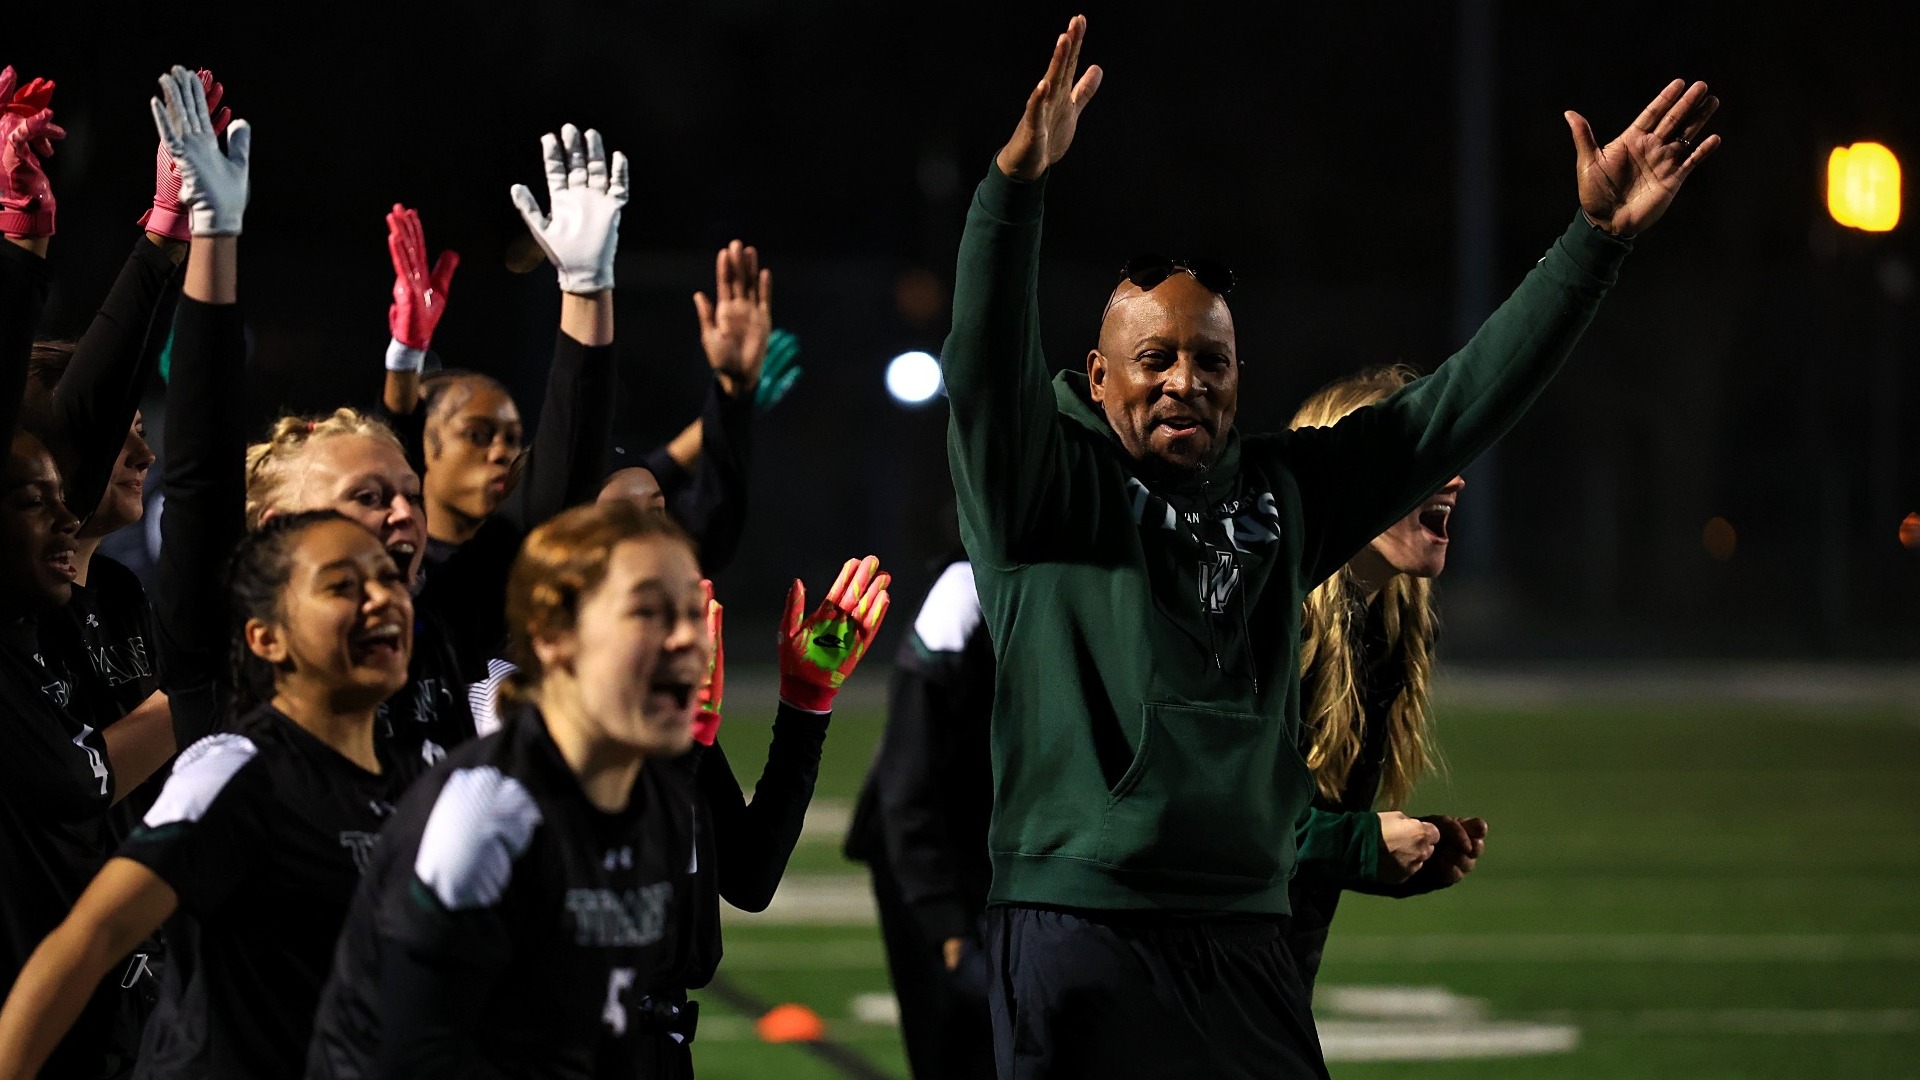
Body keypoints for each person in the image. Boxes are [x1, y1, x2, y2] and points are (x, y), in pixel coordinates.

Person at [941, 15, 1720, 1077]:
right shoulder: (1039, 489)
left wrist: (1593, 243)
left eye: (1210, 361)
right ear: (1098, 376)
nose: (1184, 381)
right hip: (1082, 929)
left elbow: (1456, 408)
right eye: (1155, 359)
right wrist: (1015, 189)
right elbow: (984, 367)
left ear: (1240, 377)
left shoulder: (1284, 492)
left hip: (1246, 936)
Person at [305, 502, 892, 1077]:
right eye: (648, 612)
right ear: (554, 634)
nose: (688, 638)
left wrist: (804, 706)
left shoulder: (649, 792)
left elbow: (740, 883)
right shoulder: (488, 812)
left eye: (692, 611)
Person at [0, 509, 427, 1080]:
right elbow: (89, 940)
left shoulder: (418, 776)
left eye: (389, 578)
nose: (382, 600)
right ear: (265, 638)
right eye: (342, 586)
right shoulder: (235, 771)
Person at [1282, 365, 1489, 998]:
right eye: (1417, 456)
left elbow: (1290, 848)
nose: (1454, 477)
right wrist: (1360, 846)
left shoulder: (1388, 631)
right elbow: (1209, 822)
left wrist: (1400, 858)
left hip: (1267, 983)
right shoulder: (1268, 621)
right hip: (1190, 985)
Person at [844, 549, 995, 1080]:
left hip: (991, 853)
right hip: (932, 862)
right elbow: (906, 779)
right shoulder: (964, 592)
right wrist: (942, 919)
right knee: (959, 1051)